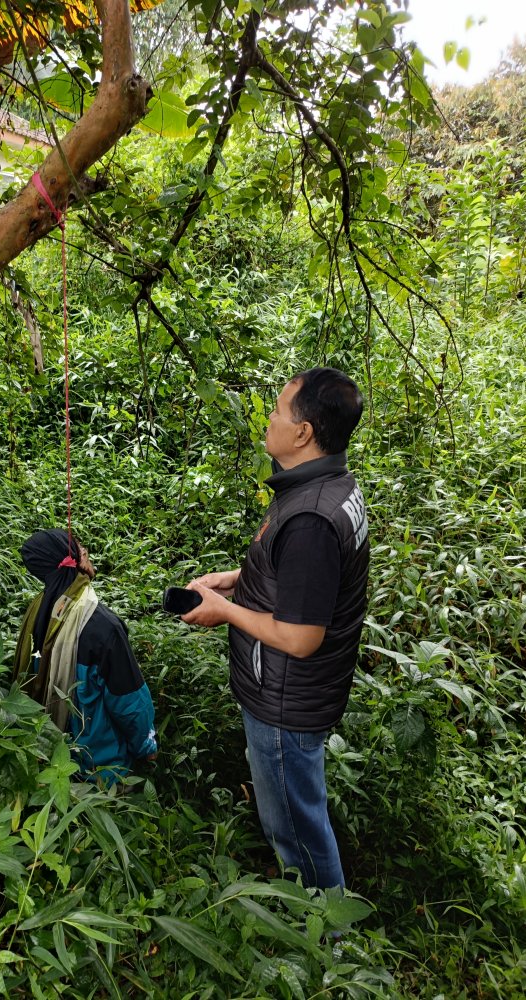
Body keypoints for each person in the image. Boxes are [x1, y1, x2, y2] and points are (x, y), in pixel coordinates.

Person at [182, 367, 369, 889]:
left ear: (304, 432)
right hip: (297, 694)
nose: (269, 417)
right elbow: (306, 575)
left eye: (279, 410)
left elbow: (301, 636)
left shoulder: (311, 516)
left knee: (295, 826)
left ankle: (326, 939)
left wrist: (222, 609)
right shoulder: (330, 485)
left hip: (286, 699)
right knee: (298, 808)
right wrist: (239, 578)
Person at [14, 529, 158, 784]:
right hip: (100, 772)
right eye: (81, 550)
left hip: (46, 766)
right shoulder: (103, 627)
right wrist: (147, 748)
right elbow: (129, 701)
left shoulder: (37, 613)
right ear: (73, 562)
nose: (86, 552)